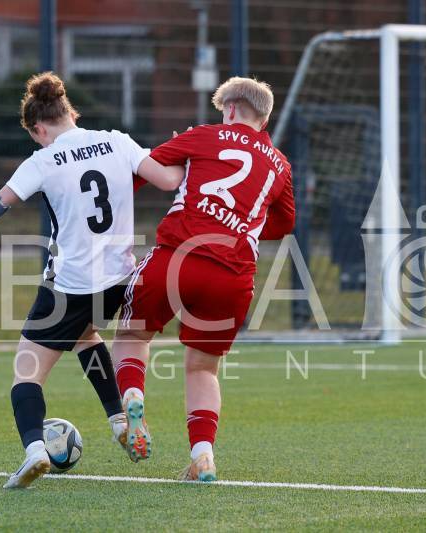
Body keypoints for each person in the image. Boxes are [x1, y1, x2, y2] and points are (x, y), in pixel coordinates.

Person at [0, 72, 184, 488]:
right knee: (86, 336)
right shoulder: (117, 141)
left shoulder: (44, 160)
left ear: (39, 128)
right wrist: (182, 152)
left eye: (35, 137)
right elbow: (169, 180)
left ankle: (35, 450)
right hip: (119, 280)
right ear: (71, 113)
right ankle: (119, 420)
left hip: (70, 285)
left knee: (26, 375)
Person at [112, 77, 295, 481]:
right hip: (232, 275)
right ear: (264, 120)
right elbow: (285, 223)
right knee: (202, 369)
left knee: (132, 335)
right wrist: (243, 226)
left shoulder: (202, 135)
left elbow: (144, 168)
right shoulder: (280, 165)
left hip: (178, 257)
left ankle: (133, 397)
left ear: (229, 109)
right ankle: (203, 456)